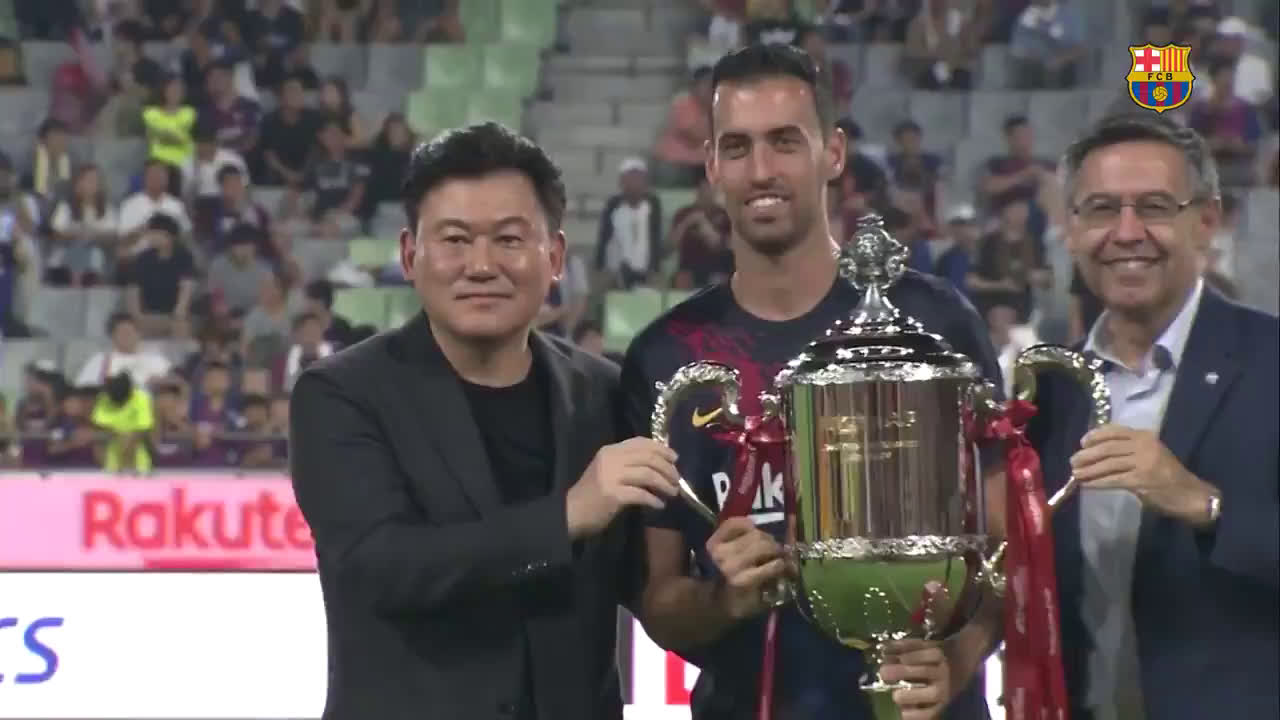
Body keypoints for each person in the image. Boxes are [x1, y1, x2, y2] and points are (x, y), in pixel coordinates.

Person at [619, 44, 1003, 720]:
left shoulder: (934, 321)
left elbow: (1006, 548)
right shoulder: (666, 357)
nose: (761, 170)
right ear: (711, 166)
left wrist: (959, 657)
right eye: (737, 147)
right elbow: (660, 597)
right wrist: (721, 601)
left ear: (834, 153)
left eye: (785, 141)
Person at [289, 122, 682, 720]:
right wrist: (566, 516)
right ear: (409, 255)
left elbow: (644, 584)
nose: (481, 265)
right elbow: (379, 568)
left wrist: (722, 583)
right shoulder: (341, 394)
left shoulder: (604, 392)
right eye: (454, 239)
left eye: (508, 239)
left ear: (554, 257)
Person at [1003, 112, 1278, 719]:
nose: (1127, 233)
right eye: (1102, 209)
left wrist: (1204, 504)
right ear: (1072, 229)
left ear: (1205, 222)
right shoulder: (1048, 391)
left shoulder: (1271, 361)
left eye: (1154, 207)